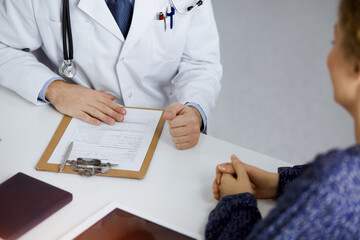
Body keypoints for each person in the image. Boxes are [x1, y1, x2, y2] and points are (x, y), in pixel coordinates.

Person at [206, 0, 360, 239]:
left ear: (356, 70)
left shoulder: (336, 184)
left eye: (334, 42)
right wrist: (279, 182)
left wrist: (236, 201)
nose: (329, 56)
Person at [0, 0, 222, 150]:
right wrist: (55, 89)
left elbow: (200, 62)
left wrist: (194, 110)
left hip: (163, 128)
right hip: (72, 123)